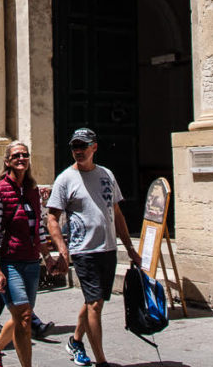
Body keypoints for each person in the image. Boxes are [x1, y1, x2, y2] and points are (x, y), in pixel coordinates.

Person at [46, 128, 141, 367]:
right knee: (95, 304)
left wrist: (129, 247)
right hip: (83, 250)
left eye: (83, 146)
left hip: (107, 249)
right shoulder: (65, 179)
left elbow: (116, 213)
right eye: (74, 147)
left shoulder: (106, 175)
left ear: (94, 147)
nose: (78, 151)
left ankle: (76, 340)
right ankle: (101, 361)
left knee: (93, 301)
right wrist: (62, 250)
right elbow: (52, 218)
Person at [0, 141, 53, 367]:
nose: (21, 158)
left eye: (24, 155)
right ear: (7, 161)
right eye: (16, 156)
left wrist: (47, 257)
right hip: (10, 262)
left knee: (22, 315)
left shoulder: (32, 191)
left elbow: (39, 228)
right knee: (23, 317)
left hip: (31, 262)